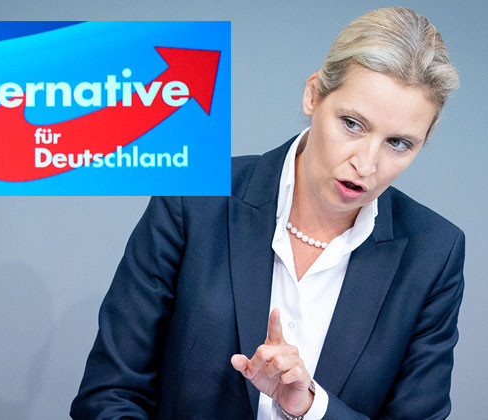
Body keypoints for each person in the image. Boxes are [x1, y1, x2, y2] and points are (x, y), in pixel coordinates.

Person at [71, 7, 464, 420]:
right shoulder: (195, 198)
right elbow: (108, 395)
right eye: (352, 123)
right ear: (314, 94)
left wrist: (311, 407)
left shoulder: (434, 253)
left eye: (399, 143)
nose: (366, 164)